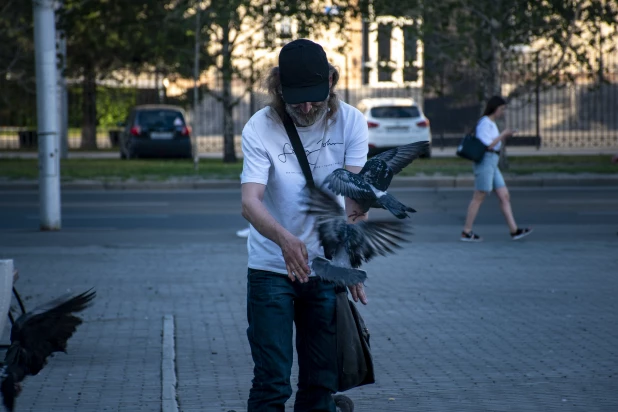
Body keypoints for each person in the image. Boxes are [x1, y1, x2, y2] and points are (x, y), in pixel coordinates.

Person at [240, 39, 369, 412]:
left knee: (319, 383)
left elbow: (355, 202)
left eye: (315, 96)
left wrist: (348, 260)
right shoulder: (260, 127)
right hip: (271, 270)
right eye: (297, 99)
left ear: (331, 81)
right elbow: (250, 202)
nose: (308, 107)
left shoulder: (351, 122)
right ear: (278, 89)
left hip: (326, 272)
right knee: (271, 381)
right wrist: (284, 238)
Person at [461, 96, 533, 242]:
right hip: (485, 161)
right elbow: (488, 145)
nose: (503, 112)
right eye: (501, 109)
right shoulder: (485, 123)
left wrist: (503, 136)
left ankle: (514, 230)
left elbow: (493, 143)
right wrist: (503, 135)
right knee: (479, 196)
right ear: (495, 108)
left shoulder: (491, 123)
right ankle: (466, 232)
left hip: (493, 162)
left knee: (504, 195)